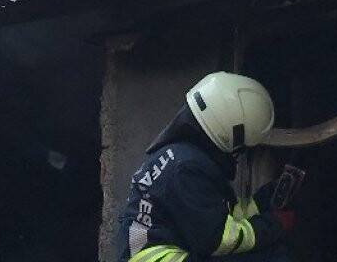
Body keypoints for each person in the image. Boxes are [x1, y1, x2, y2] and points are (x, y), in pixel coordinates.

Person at [116, 72, 294, 262]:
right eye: (240, 148)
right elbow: (217, 239)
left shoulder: (181, 156)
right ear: (230, 132)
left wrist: (263, 201)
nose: (238, 154)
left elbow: (216, 216)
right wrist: (275, 225)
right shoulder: (187, 168)